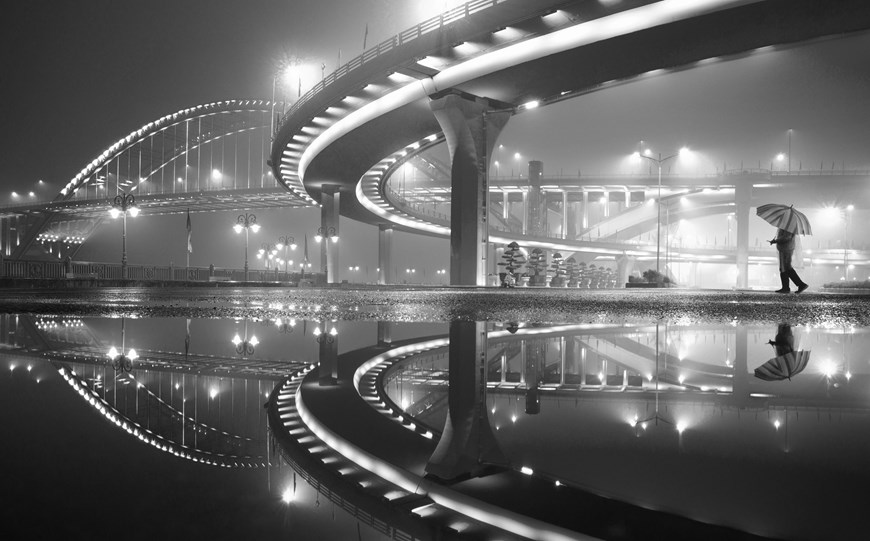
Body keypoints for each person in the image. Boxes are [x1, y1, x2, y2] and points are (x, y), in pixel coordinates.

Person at [768, 228, 808, 293]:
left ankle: (800, 285)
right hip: (784, 249)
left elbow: (786, 237)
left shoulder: (789, 226)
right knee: (784, 268)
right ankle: (787, 287)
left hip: (786, 249)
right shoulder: (786, 226)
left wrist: (776, 241)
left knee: (786, 268)